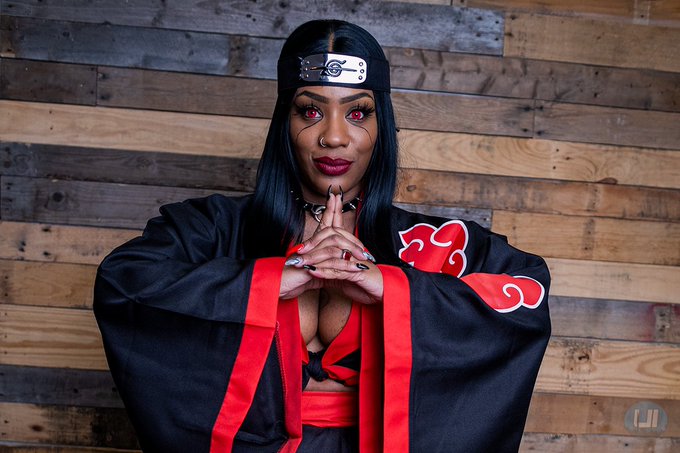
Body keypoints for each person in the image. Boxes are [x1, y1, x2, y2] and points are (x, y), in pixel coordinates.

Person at [94, 19, 551, 453]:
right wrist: (268, 283)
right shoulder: (213, 227)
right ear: (285, 123)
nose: (334, 136)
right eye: (311, 111)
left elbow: (526, 296)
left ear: (381, 126)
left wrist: (394, 288)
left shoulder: (435, 244)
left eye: (358, 112)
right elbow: (123, 282)